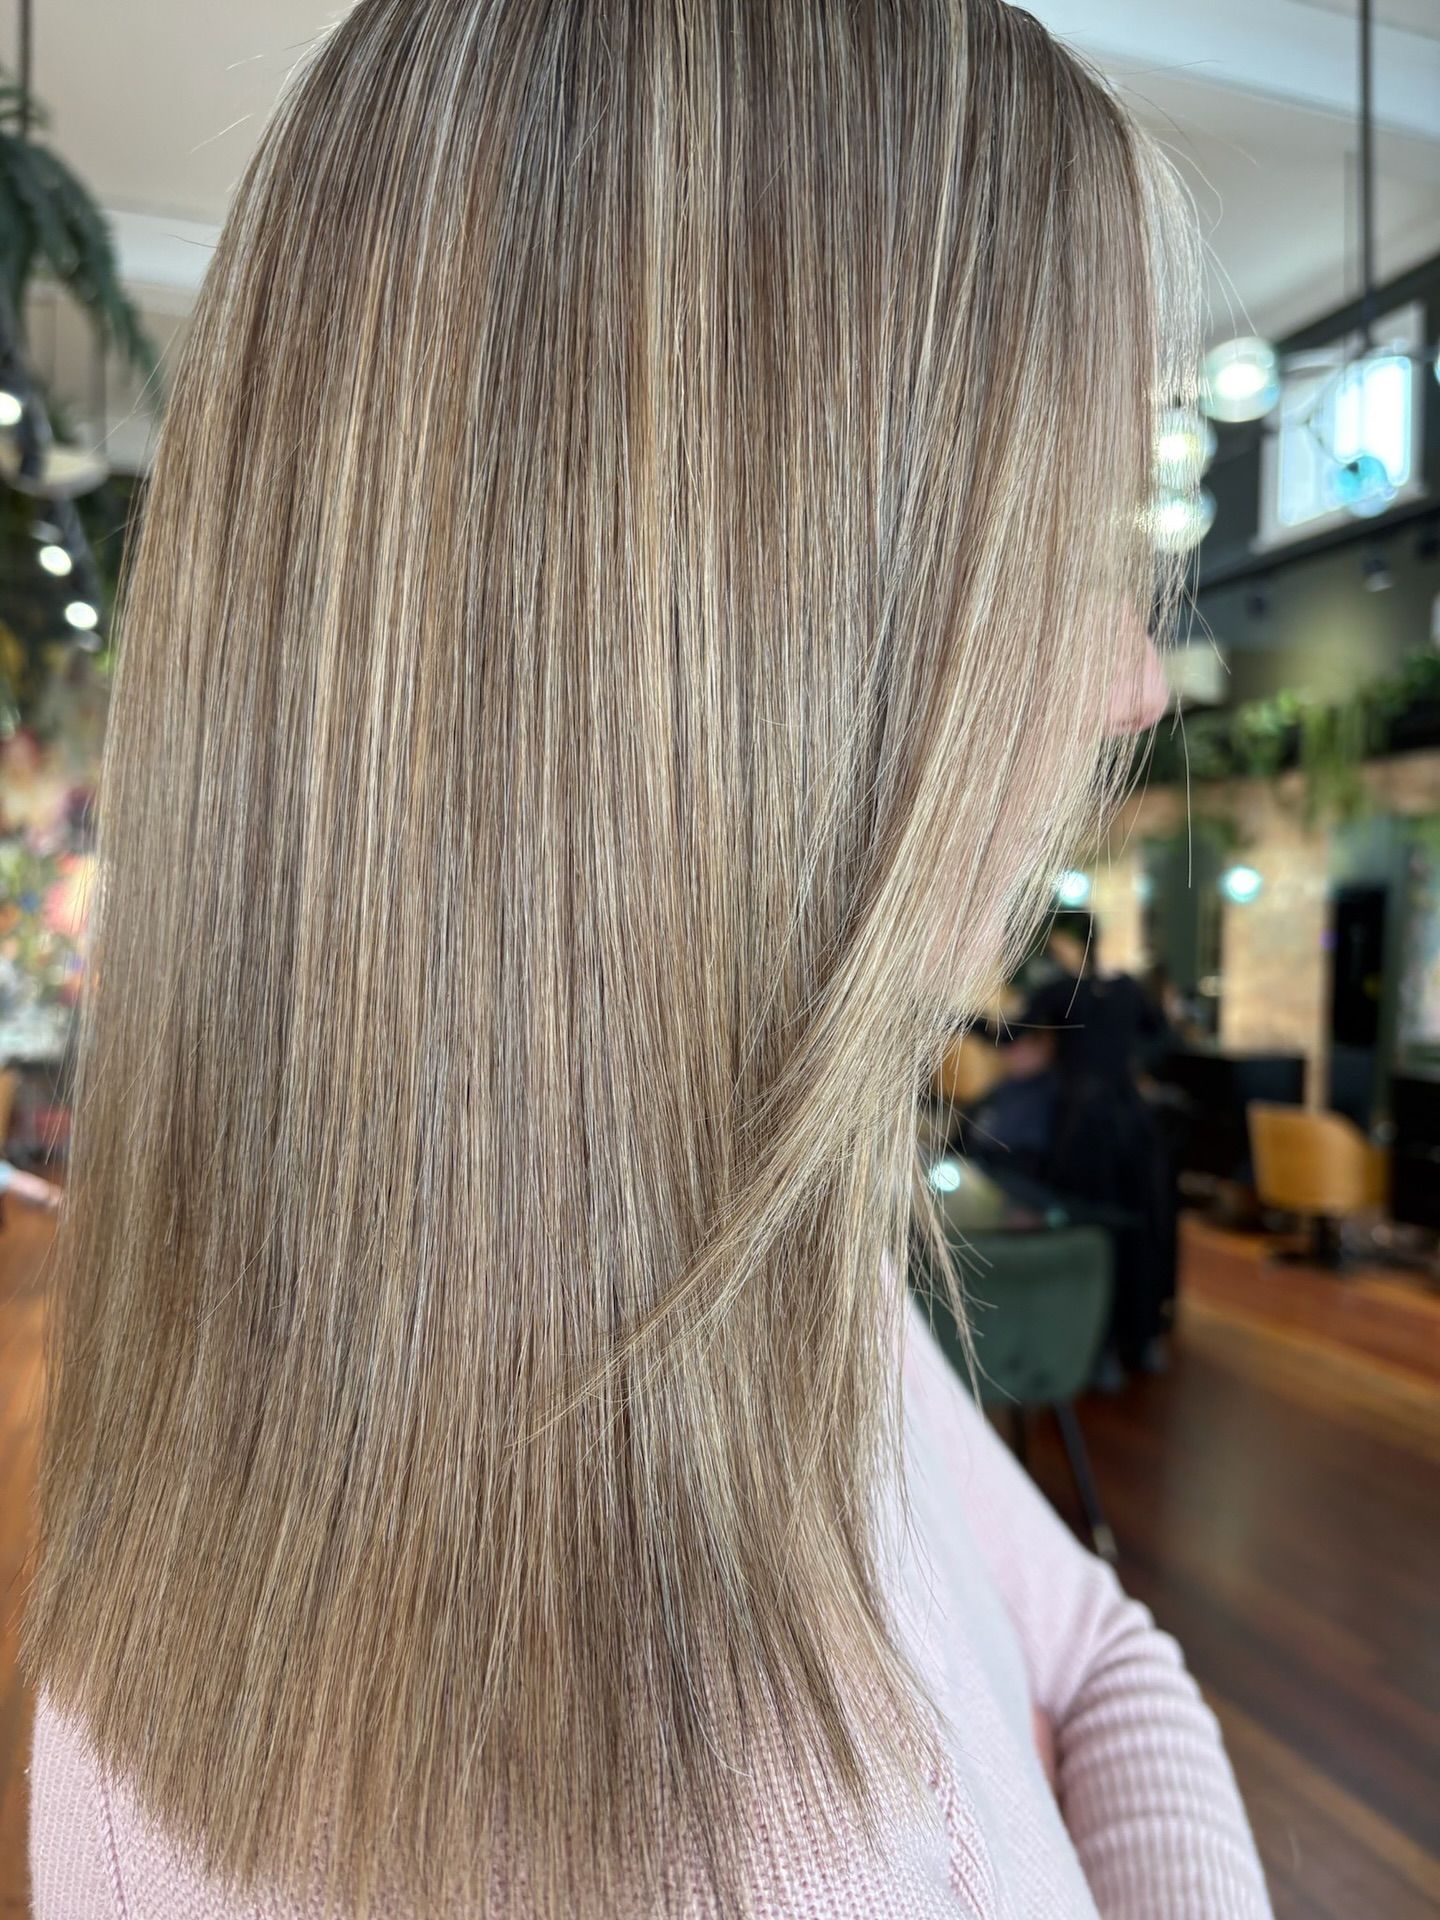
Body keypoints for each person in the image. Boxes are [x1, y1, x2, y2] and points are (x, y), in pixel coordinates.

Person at [26, 5, 1271, 1917]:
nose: (1133, 679)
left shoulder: (754, 1277)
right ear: (731, 644)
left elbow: (1105, 1647)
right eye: (1054, 547)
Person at [1022, 911, 1178, 1374]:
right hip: (1130, 1122)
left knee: (1089, 1231)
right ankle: (1140, 1338)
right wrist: (1130, 1065)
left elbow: (1006, 1034)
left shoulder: (1060, 991)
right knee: (1137, 1228)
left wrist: (947, 1018)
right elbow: (1163, 1038)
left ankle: (1098, 1347)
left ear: (1070, 944)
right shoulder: (1126, 989)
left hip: (1083, 1128)